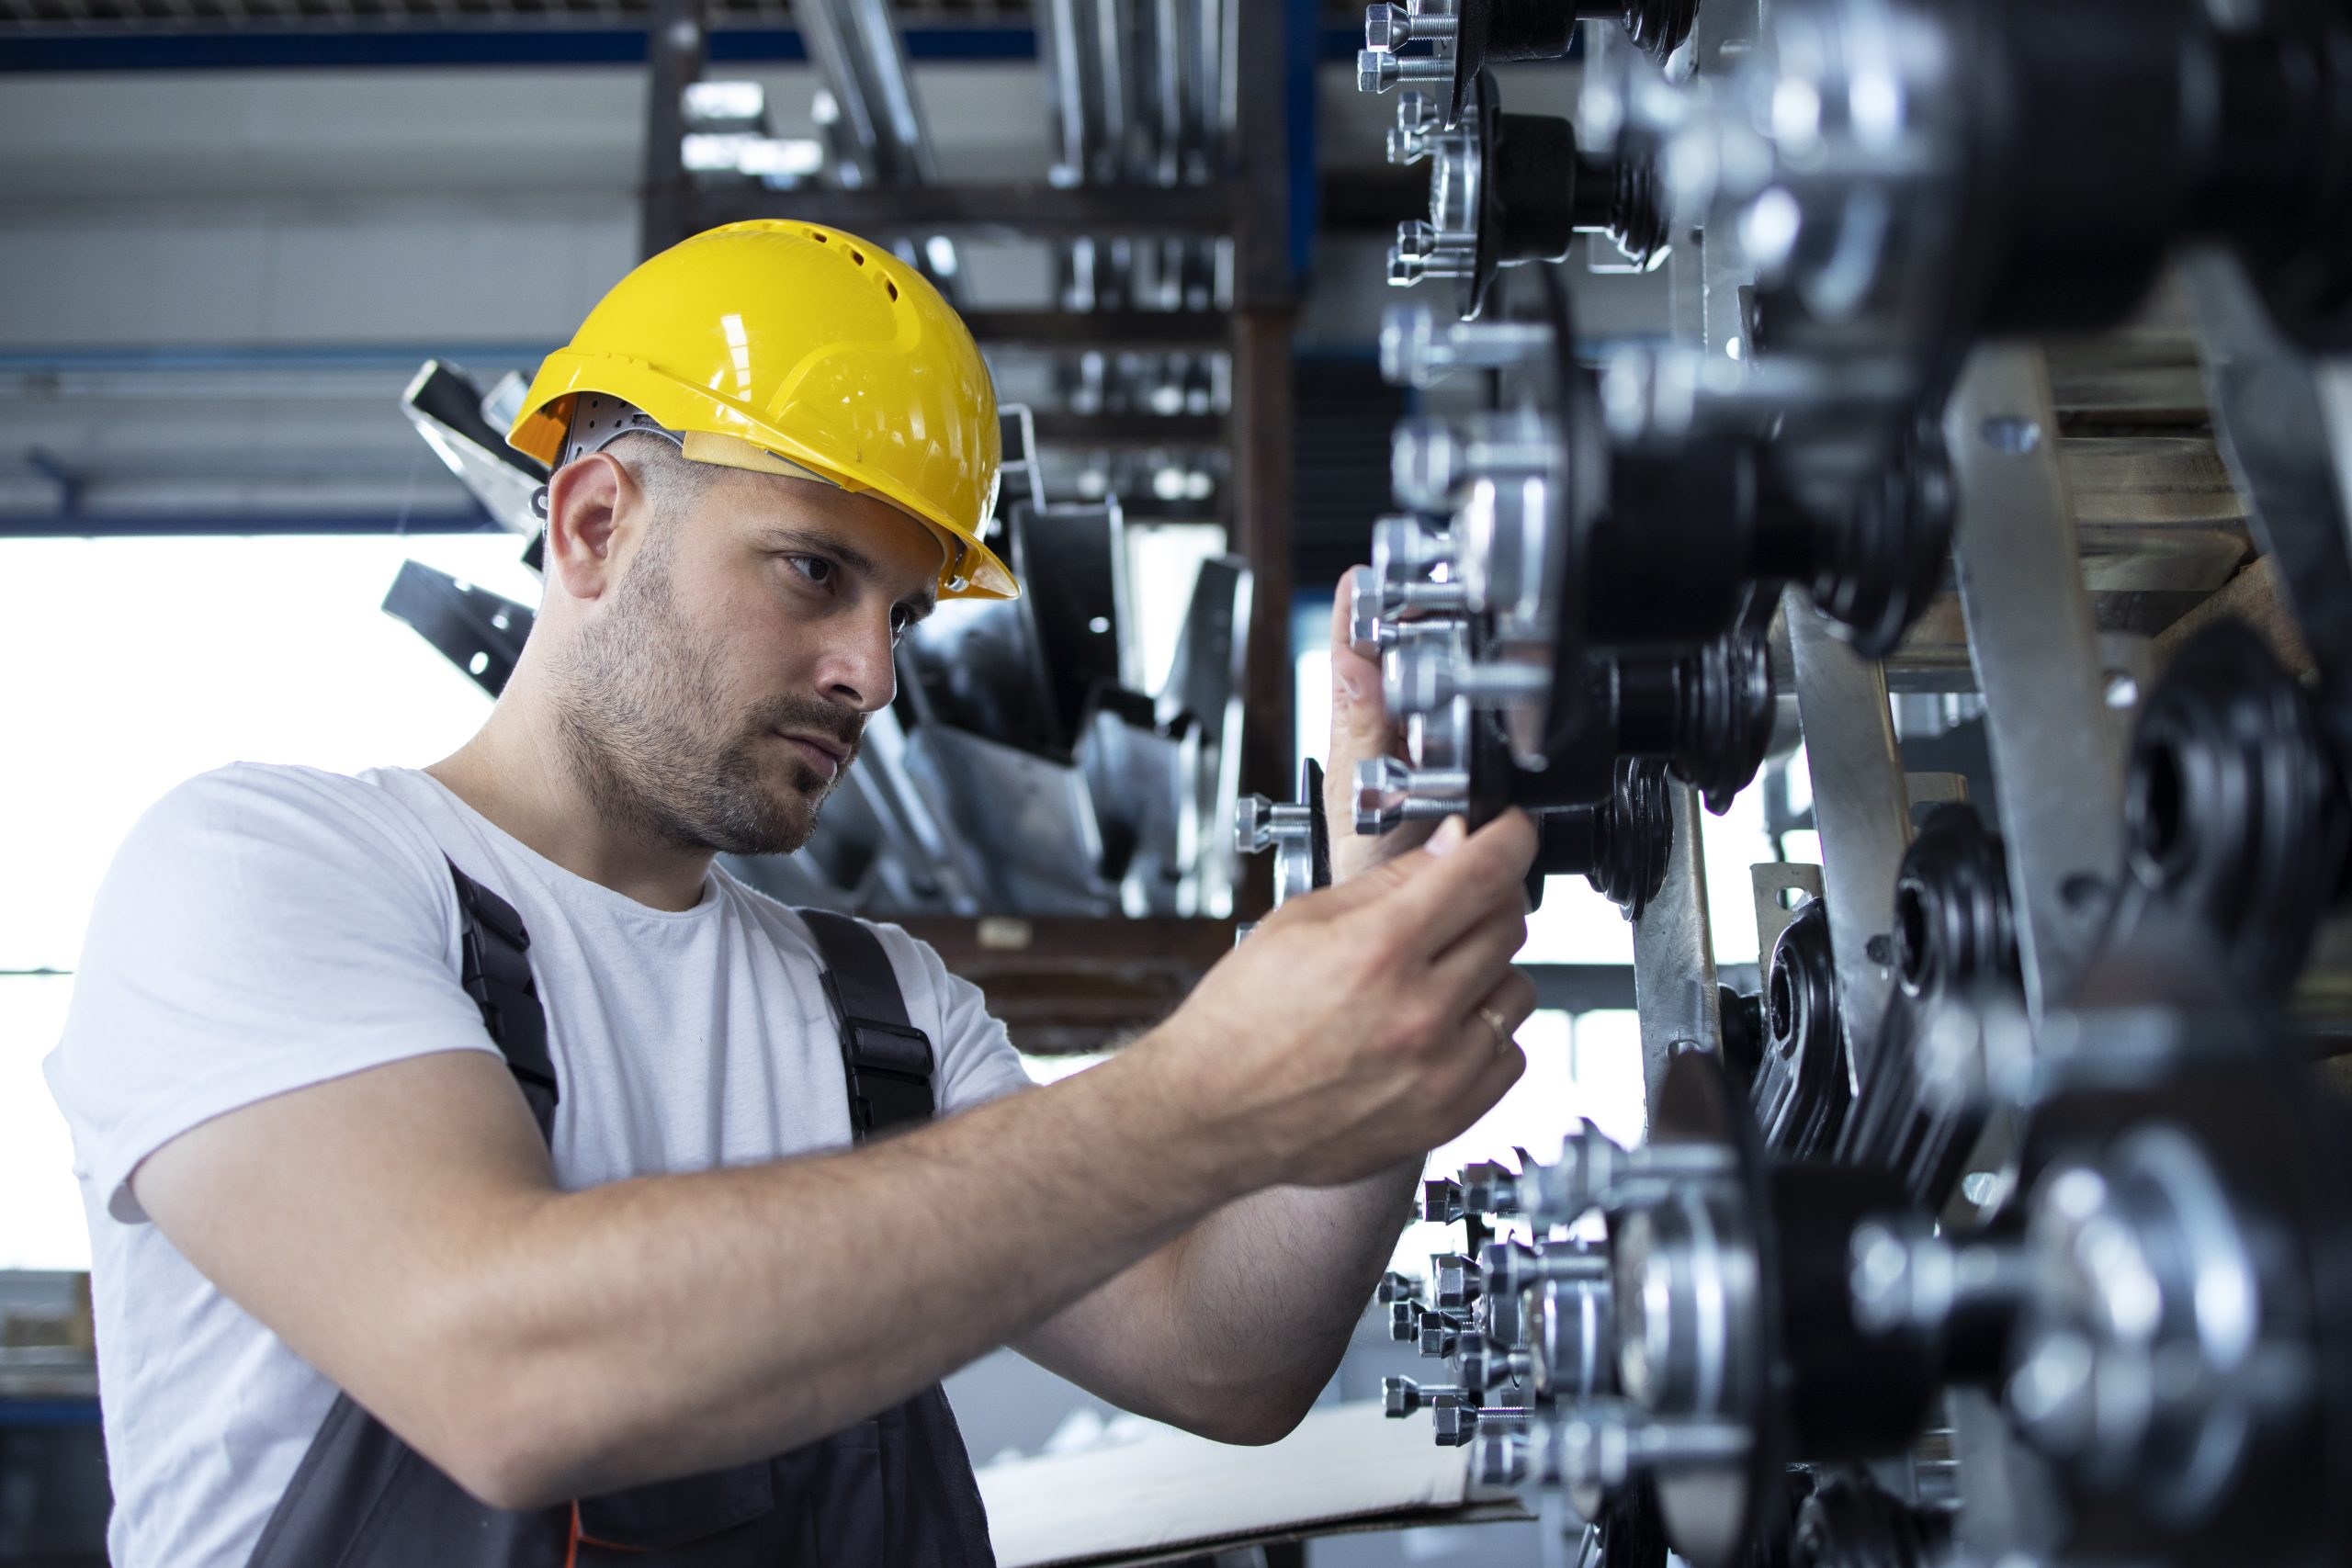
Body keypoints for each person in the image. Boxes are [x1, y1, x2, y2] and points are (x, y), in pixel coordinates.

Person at [44, 220, 1538, 1568]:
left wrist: (1379, 958)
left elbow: (1229, 1363)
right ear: (593, 527)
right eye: (812, 572)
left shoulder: (878, 1017)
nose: (874, 675)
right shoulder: (268, 873)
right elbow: (504, 1375)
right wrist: (1207, 1093)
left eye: (899, 611)